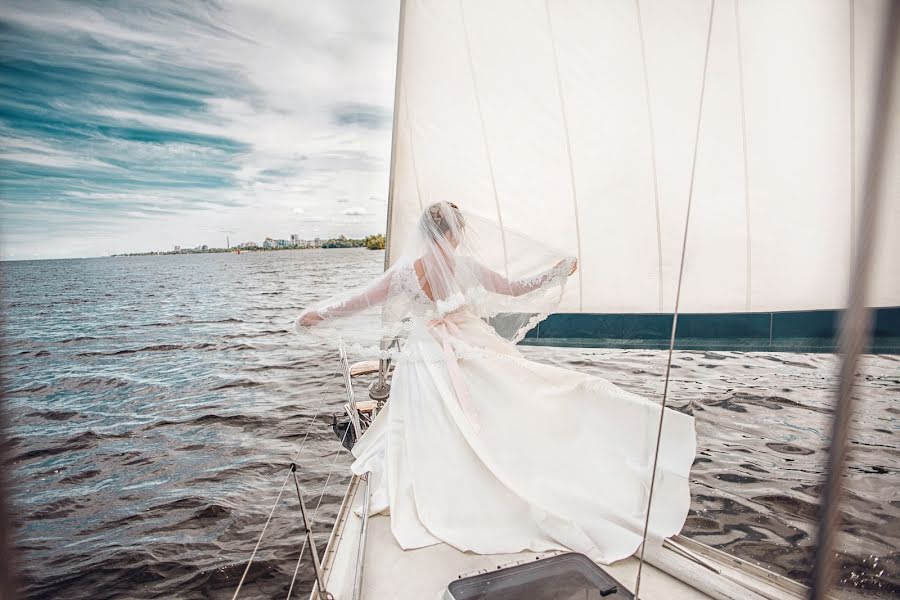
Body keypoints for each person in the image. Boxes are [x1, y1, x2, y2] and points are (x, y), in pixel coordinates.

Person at [295, 201, 695, 564]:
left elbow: (358, 302)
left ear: (426, 232)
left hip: (427, 357)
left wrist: (314, 316)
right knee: (519, 395)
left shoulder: (404, 273)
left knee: (430, 423)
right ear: (453, 233)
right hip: (468, 346)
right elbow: (513, 289)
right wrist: (554, 273)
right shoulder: (466, 266)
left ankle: (452, 487)